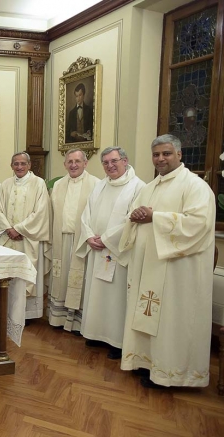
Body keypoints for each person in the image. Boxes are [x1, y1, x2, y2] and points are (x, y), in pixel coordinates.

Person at [119, 135, 215, 388]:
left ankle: (170, 372)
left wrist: (155, 217)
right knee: (147, 315)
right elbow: (137, 218)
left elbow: (199, 224)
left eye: (166, 154)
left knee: (172, 320)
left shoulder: (195, 186)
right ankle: (148, 363)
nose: (160, 159)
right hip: (149, 266)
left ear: (179, 155)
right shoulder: (149, 188)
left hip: (176, 271)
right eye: (156, 154)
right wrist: (136, 216)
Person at [76, 146, 144, 359]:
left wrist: (105, 239)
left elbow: (132, 219)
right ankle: (95, 333)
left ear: (125, 160)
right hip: (97, 248)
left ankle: (116, 341)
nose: (110, 166)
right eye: (105, 162)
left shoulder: (138, 187)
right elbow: (86, 213)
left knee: (116, 297)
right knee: (96, 293)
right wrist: (88, 236)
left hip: (117, 251)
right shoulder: (100, 185)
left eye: (114, 161)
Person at [0, 152, 51, 319]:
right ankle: (7, 310)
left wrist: (18, 229)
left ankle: (27, 315)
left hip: (28, 239)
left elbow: (41, 212)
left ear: (29, 165)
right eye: (16, 164)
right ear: (11, 166)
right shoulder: (6, 184)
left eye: (22, 164)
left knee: (26, 276)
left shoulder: (38, 184)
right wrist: (8, 229)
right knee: (8, 276)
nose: (19, 167)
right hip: (8, 237)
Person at [48, 149, 99, 332]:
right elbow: (51, 213)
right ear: (65, 164)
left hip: (82, 242)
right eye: (70, 161)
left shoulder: (96, 185)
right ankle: (58, 319)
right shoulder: (58, 185)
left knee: (79, 280)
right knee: (61, 280)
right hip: (61, 240)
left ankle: (78, 323)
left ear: (85, 163)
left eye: (77, 161)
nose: (73, 165)